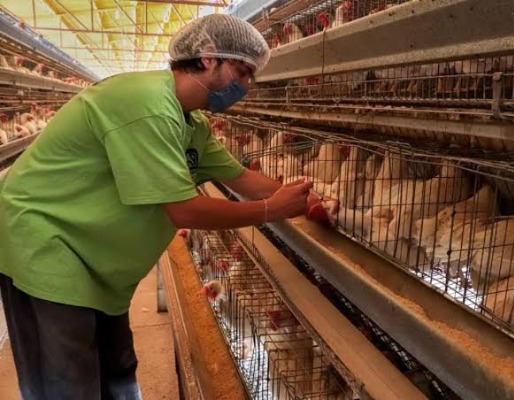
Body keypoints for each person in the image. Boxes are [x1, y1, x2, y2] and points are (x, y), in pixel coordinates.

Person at [0, 14, 324, 400]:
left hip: (96, 257)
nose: (246, 86)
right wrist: (271, 209)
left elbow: (242, 179)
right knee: (67, 378)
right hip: (46, 241)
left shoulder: (193, 124)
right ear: (208, 56)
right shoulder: (148, 104)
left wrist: (308, 199)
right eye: (242, 72)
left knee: (117, 365)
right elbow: (184, 211)